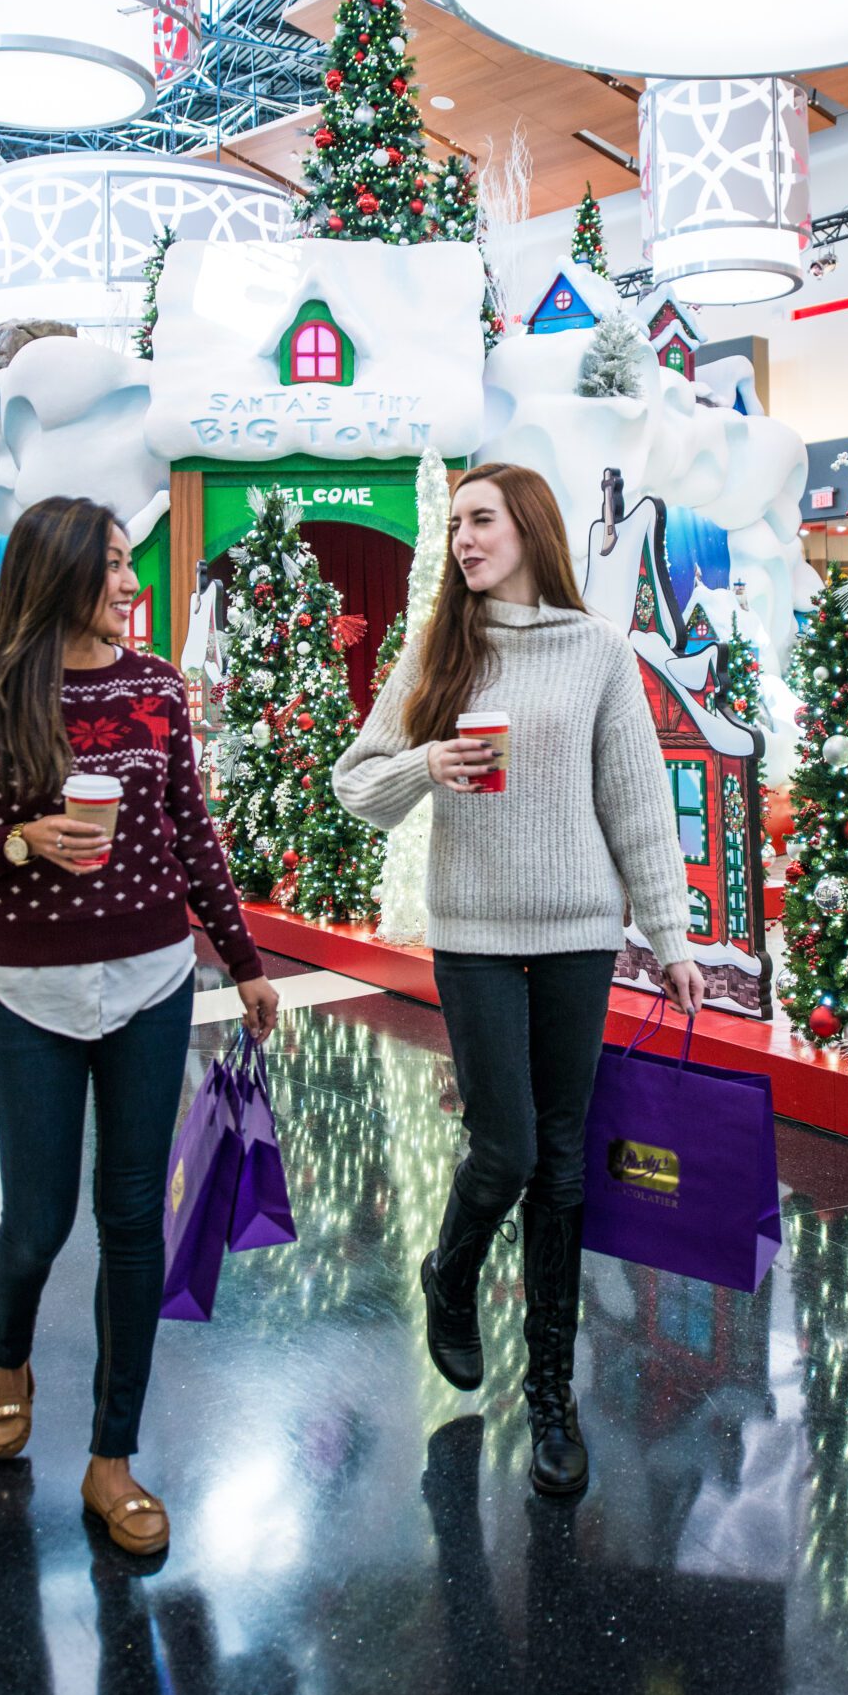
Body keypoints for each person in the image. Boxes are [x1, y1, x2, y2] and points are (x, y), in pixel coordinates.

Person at [0, 495, 280, 1557]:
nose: (130, 582)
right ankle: (7, 1350)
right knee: (36, 1224)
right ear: (60, 574)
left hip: (153, 981)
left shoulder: (157, 689)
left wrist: (241, 960)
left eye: (129, 564)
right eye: (113, 565)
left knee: (130, 1222)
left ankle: (112, 1457)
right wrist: (17, 843)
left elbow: (190, 829)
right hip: (30, 990)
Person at [334, 462, 704, 1500]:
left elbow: (636, 803)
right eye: (454, 523)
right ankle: (449, 1273)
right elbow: (356, 783)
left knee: (564, 1165)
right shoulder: (438, 649)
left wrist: (669, 939)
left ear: (529, 528)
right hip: (474, 935)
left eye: (479, 519)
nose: (461, 537)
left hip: (578, 932)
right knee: (500, 1148)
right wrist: (427, 764)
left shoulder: (594, 652)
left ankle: (552, 1393)